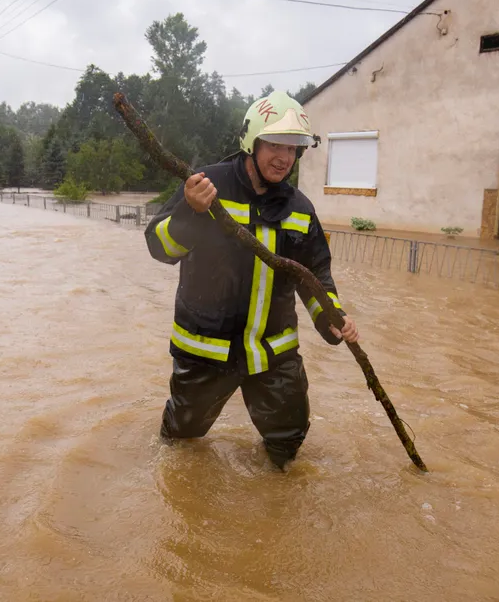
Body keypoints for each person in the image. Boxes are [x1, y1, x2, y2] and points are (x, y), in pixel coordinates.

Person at [144, 90, 359, 469]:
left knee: (288, 447)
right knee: (180, 444)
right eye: (275, 145)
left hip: (273, 355)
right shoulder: (205, 187)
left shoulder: (300, 209)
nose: (284, 158)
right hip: (205, 352)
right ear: (251, 143)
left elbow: (315, 275)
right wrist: (191, 213)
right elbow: (160, 247)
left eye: (292, 148)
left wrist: (332, 317)